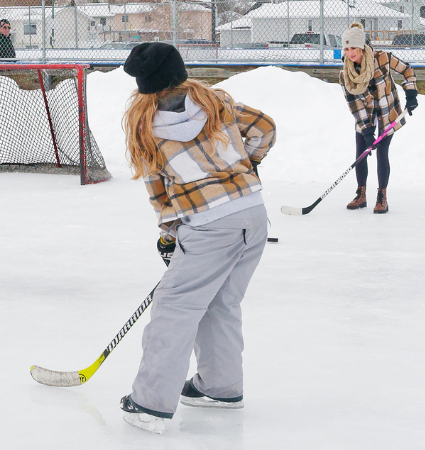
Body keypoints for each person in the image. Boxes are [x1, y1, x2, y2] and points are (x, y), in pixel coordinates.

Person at [116, 42, 276, 434]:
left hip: (209, 226)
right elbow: (265, 129)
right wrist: (245, 165)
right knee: (222, 302)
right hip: (252, 215)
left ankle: (150, 403)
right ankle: (219, 388)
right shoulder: (217, 104)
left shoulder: (146, 128)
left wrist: (170, 236)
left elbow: (159, 192)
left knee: (175, 308)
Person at [338, 23, 418, 214]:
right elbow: (354, 104)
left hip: (385, 113)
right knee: (361, 153)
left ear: (362, 47)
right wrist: (366, 130)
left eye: (353, 48)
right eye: (347, 49)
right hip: (365, 116)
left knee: (382, 151)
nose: (350, 53)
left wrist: (411, 93)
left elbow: (407, 70)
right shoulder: (346, 74)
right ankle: (361, 194)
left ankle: (382, 196)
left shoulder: (382, 58)